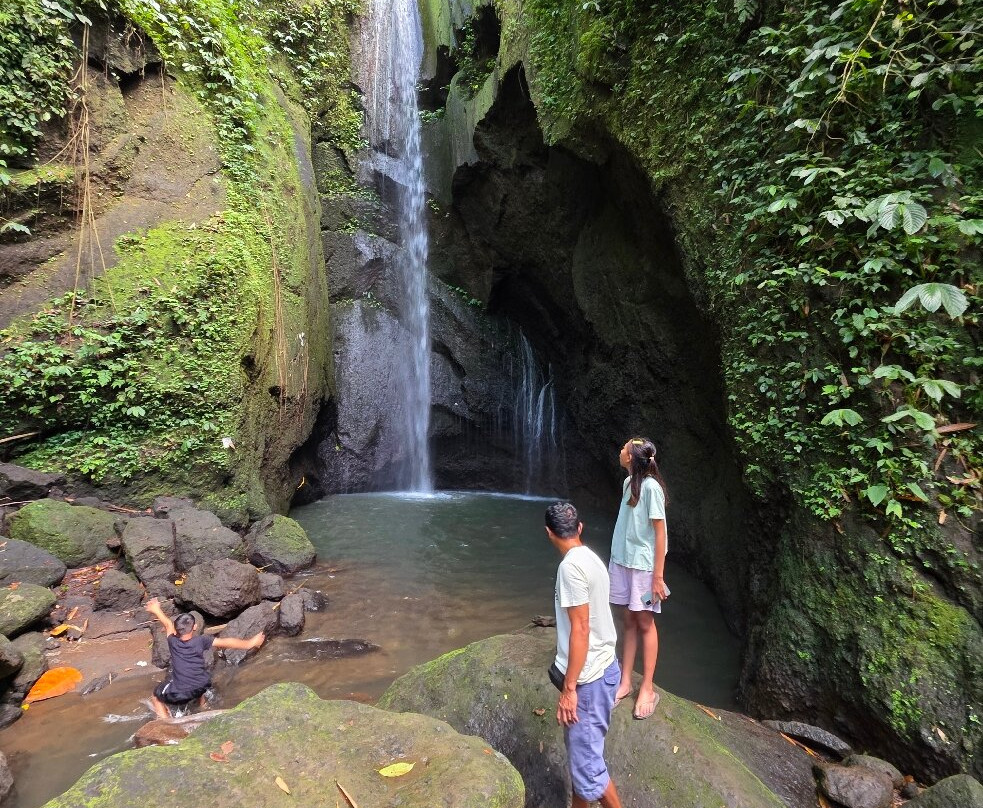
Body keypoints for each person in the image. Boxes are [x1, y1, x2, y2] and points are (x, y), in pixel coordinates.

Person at [545, 501, 623, 808]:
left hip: (588, 681)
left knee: (590, 768)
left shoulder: (570, 568)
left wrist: (569, 689)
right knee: (585, 763)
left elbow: (580, 630)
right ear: (579, 528)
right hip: (604, 668)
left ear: (549, 533)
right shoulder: (590, 558)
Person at [609, 437, 670, 721]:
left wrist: (658, 577)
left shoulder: (651, 488)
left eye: (624, 449)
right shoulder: (628, 484)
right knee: (628, 619)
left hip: (644, 570)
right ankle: (625, 681)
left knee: (645, 620)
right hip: (622, 563)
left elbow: (660, 534)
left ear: (631, 457)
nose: (620, 452)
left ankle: (647, 687)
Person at [144, 597, 266, 719]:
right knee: (198, 676)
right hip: (202, 686)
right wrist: (250, 643)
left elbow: (167, 624)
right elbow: (227, 642)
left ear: (176, 630)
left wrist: (155, 609)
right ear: (195, 627)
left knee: (156, 696)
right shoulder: (202, 640)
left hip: (182, 691)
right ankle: (203, 706)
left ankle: (166, 724)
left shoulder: (172, 641)